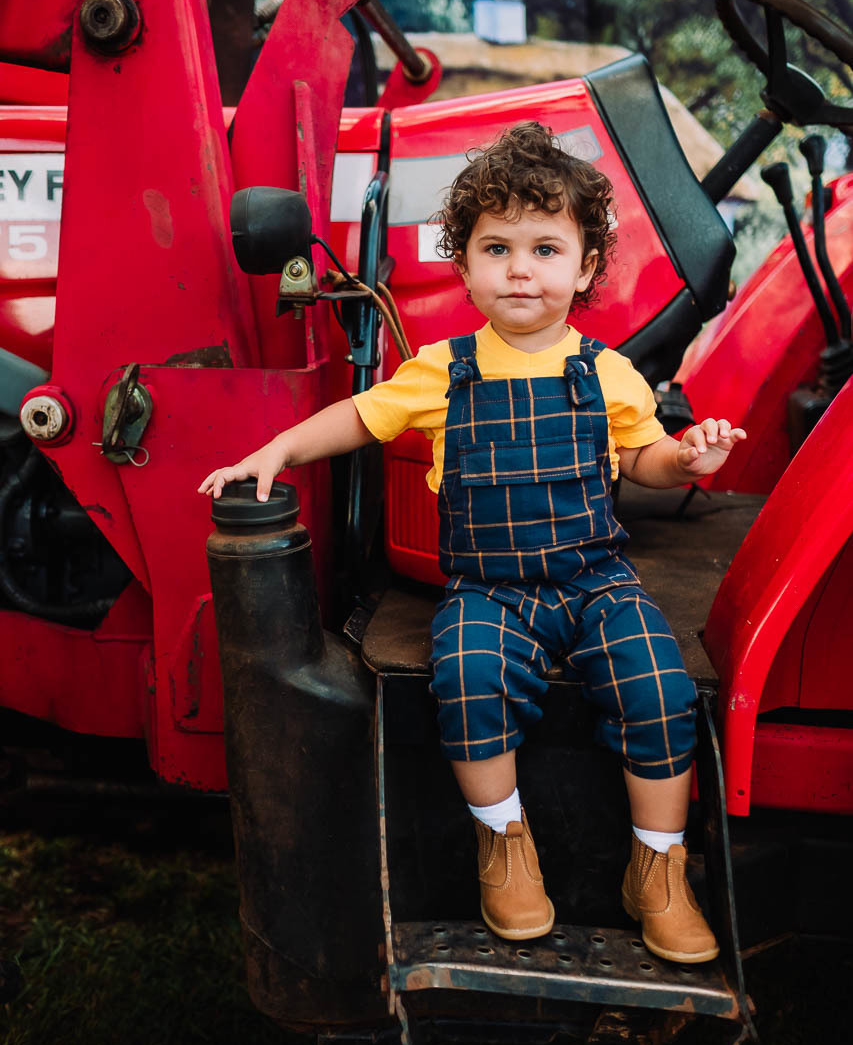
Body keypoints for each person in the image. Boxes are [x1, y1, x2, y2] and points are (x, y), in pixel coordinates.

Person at [199, 122, 746, 963]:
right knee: (468, 678)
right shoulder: (440, 370)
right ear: (463, 268)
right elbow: (357, 416)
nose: (520, 268)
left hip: (594, 577)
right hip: (488, 588)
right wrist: (276, 448)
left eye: (544, 248)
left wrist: (687, 458)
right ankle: (505, 845)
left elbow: (642, 459)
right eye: (496, 248)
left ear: (586, 267)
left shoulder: (607, 373)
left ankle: (658, 867)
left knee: (658, 688)